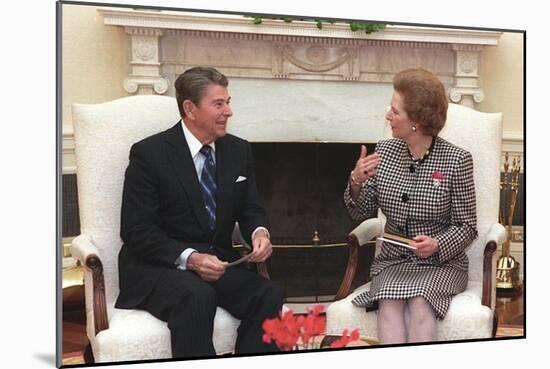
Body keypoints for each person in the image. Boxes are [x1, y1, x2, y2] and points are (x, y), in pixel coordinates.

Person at [115, 66, 284, 358]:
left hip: (217, 263)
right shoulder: (149, 154)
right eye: (218, 104)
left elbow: (251, 208)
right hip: (160, 267)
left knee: (269, 292)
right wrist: (191, 259)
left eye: (228, 102)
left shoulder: (238, 150)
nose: (228, 112)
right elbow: (136, 230)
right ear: (190, 109)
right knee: (197, 295)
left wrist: (259, 233)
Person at [344, 68, 477, 344]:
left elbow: (467, 227)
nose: (387, 116)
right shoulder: (386, 151)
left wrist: (437, 243)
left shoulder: (457, 160)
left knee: (420, 302)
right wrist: (356, 181)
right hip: (393, 261)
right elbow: (360, 210)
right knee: (389, 304)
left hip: (442, 264)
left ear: (416, 120)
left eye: (395, 111)